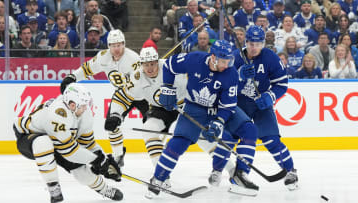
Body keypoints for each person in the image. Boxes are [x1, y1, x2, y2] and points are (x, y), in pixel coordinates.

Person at [146, 40, 258, 198]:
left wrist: (218, 123)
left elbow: (227, 106)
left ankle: (240, 176)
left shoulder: (231, 73)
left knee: (249, 129)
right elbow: (169, 65)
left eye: (229, 61)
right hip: (195, 108)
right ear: (213, 57)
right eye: (223, 61)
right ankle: (158, 178)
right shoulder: (194, 59)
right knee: (178, 143)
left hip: (220, 108)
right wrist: (167, 88)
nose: (226, 65)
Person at [12, 83, 123, 202]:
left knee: (81, 172)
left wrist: (103, 159)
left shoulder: (84, 113)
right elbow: (70, 153)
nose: (86, 108)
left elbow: (88, 143)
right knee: (43, 143)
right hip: (28, 137)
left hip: (59, 141)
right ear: (72, 105)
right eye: (84, 105)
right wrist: (96, 161)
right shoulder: (57, 114)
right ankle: (53, 187)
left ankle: (104, 189)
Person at [60, 29, 146, 168]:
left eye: (119, 45)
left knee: (154, 125)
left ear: (124, 44)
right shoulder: (103, 57)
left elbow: (142, 81)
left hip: (142, 96)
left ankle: (160, 156)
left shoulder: (133, 59)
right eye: (113, 45)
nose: (116, 48)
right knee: (111, 125)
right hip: (122, 95)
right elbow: (87, 69)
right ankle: (118, 156)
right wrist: (72, 77)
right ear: (108, 46)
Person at [233, 25, 298, 191]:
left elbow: (281, 83)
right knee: (231, 138)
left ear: (263, 43)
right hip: (240, 103)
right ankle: (237, 173)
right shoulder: (235, 57)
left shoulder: (270, 57)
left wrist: (271, 96)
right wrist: (239, 76)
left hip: (262, 103)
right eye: (251, 43)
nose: (254, 47)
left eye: (258, 43)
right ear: (245, 42)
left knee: (271, 139)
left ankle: (290, 171)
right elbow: (225, 84)